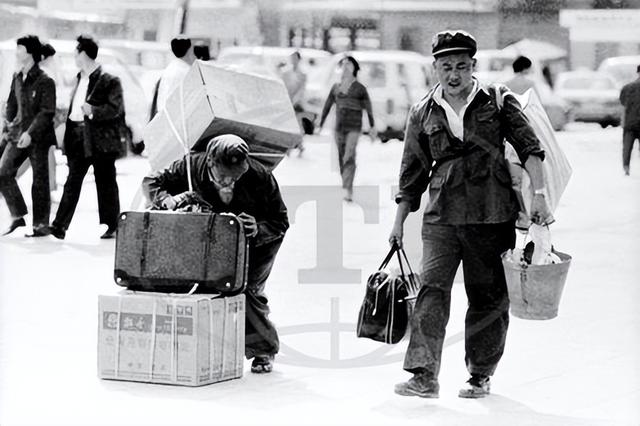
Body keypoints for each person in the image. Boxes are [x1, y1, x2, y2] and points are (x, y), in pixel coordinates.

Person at [389, 30, 553, 399]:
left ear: (473, 66)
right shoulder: (423, 111)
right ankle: (423, 374)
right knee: (431, 290)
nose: (454, 75)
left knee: (488, 297)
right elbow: (411, 172)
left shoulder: (497, 100)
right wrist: (399, 220)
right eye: (446, 67)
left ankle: (480, 373)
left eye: (461, 66)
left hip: (491, 214)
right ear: (435, 68)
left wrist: (539, 195)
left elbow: (530, 149)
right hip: (441, 217)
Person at [142, 134, 289, 374]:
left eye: (236, 175)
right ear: (210, 162)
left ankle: (263, 349)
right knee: (202, 287)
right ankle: (196, 345)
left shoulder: (259, 175)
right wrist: (167, 200)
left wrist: (258, 228)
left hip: (255, 244)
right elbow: (151, 181)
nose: (230, 181)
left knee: (247, 290)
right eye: (224, 176)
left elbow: (280, 220)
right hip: (208, 238)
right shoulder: (190, 166)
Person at [48, 35, 123, 240]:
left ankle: (113, 225)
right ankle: (59, 225)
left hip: (100, 140)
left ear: (83, 53)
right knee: (72, 181)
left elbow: (115, 109)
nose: (74, 56)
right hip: (76, 136)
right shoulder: (78, 78)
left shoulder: (108, 80)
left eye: (75, 52)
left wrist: (93, 111)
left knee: (105, 182)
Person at [0, 35, 56, 237]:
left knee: (40, 181)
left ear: (30, 52)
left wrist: (30, 133)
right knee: (3, 173)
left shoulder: (45, 81)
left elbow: (47, 112)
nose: (17, 52)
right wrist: (8, 126)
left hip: (38, 137)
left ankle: (40, 225)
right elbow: (11, 105)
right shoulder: (17, 76)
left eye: (20, 49)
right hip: (16, 135)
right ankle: (18, 215)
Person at [318, 55, 376, 202]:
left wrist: (372, 126)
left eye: (349, 64)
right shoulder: (336, 87)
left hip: (354, 127)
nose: (345, 67)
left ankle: (348, 188)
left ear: (354, 68)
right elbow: (327, 106)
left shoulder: (360, 88)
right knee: (340, 156)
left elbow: (368, 108)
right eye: (343, 64)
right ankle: (345, 183)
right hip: (338, 127)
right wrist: (320, 124)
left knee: (349, 156)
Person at [155, 37, 196, 113]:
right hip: (175, 116)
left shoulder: (171, 67)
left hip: (163, 114)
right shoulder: (186, 72)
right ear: (189, 51)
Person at [281, 51, 307, 155]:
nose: (294, 60)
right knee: (288, 126)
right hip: (287, 102)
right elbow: (282, 87)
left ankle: (299, 145)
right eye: (292, 58)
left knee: (297, 126)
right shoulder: (285, 72)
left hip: (297, 104)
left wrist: (296, 100)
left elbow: (302, 89)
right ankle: (289, 147)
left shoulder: (303, 74)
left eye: (296, 58)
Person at [619, 64, 640, 176]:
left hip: (630, 123)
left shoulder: (628, 88)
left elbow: (622, 104)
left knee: (627, 147)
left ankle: (626, 167)